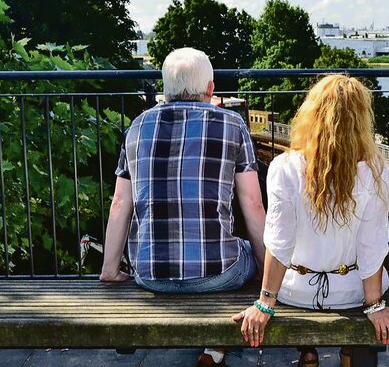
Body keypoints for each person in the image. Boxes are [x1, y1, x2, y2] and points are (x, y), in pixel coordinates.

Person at [100, 47, 266, 367]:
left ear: (165, 89)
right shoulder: (232, 124)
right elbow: (253, 205)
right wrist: (262, 270)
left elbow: (120, 204)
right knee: (244, 250)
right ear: (211, 88)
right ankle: (219, 348)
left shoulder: (137, 126)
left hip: (149, 274)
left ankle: (216, 349)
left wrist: (110, 270)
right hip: (216, 273)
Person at [232, 75, 389, 366]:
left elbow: (280, 243)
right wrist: (375, 306)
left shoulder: (284, 167)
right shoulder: (375, 170)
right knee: (378, 274)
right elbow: (372, 245)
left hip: (295, 291)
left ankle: (309, 353)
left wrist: (265, 303)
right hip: (351, 291)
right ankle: (348, 352)